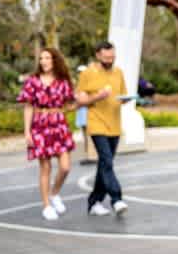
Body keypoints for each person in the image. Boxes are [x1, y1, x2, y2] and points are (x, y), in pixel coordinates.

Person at [17, 47, 76, 221]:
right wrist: (27, 132)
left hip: (58, 125)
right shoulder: (33, 81)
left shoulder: (63, 81)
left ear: (54, 60)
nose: (43, 61)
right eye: (41, 58)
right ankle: (46, 206)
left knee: (65, 167)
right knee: (45, 168)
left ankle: (55, 193)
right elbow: (28, 106)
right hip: (40, 125)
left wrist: (87, 101)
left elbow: (70, 104)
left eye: (47, 58)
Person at [75, 41, 129, 217]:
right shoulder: (88, 74)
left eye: (112, 57)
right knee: (106, 160)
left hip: (114, 124)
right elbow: (80, 101)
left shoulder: (118, 72)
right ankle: (116, 198)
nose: (110, 60)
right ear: (98, 55)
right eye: (106, 57)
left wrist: (126, 99)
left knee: (104, 164)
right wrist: (98, 96)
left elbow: (121, 96)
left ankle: (94, 201)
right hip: (97, 124)